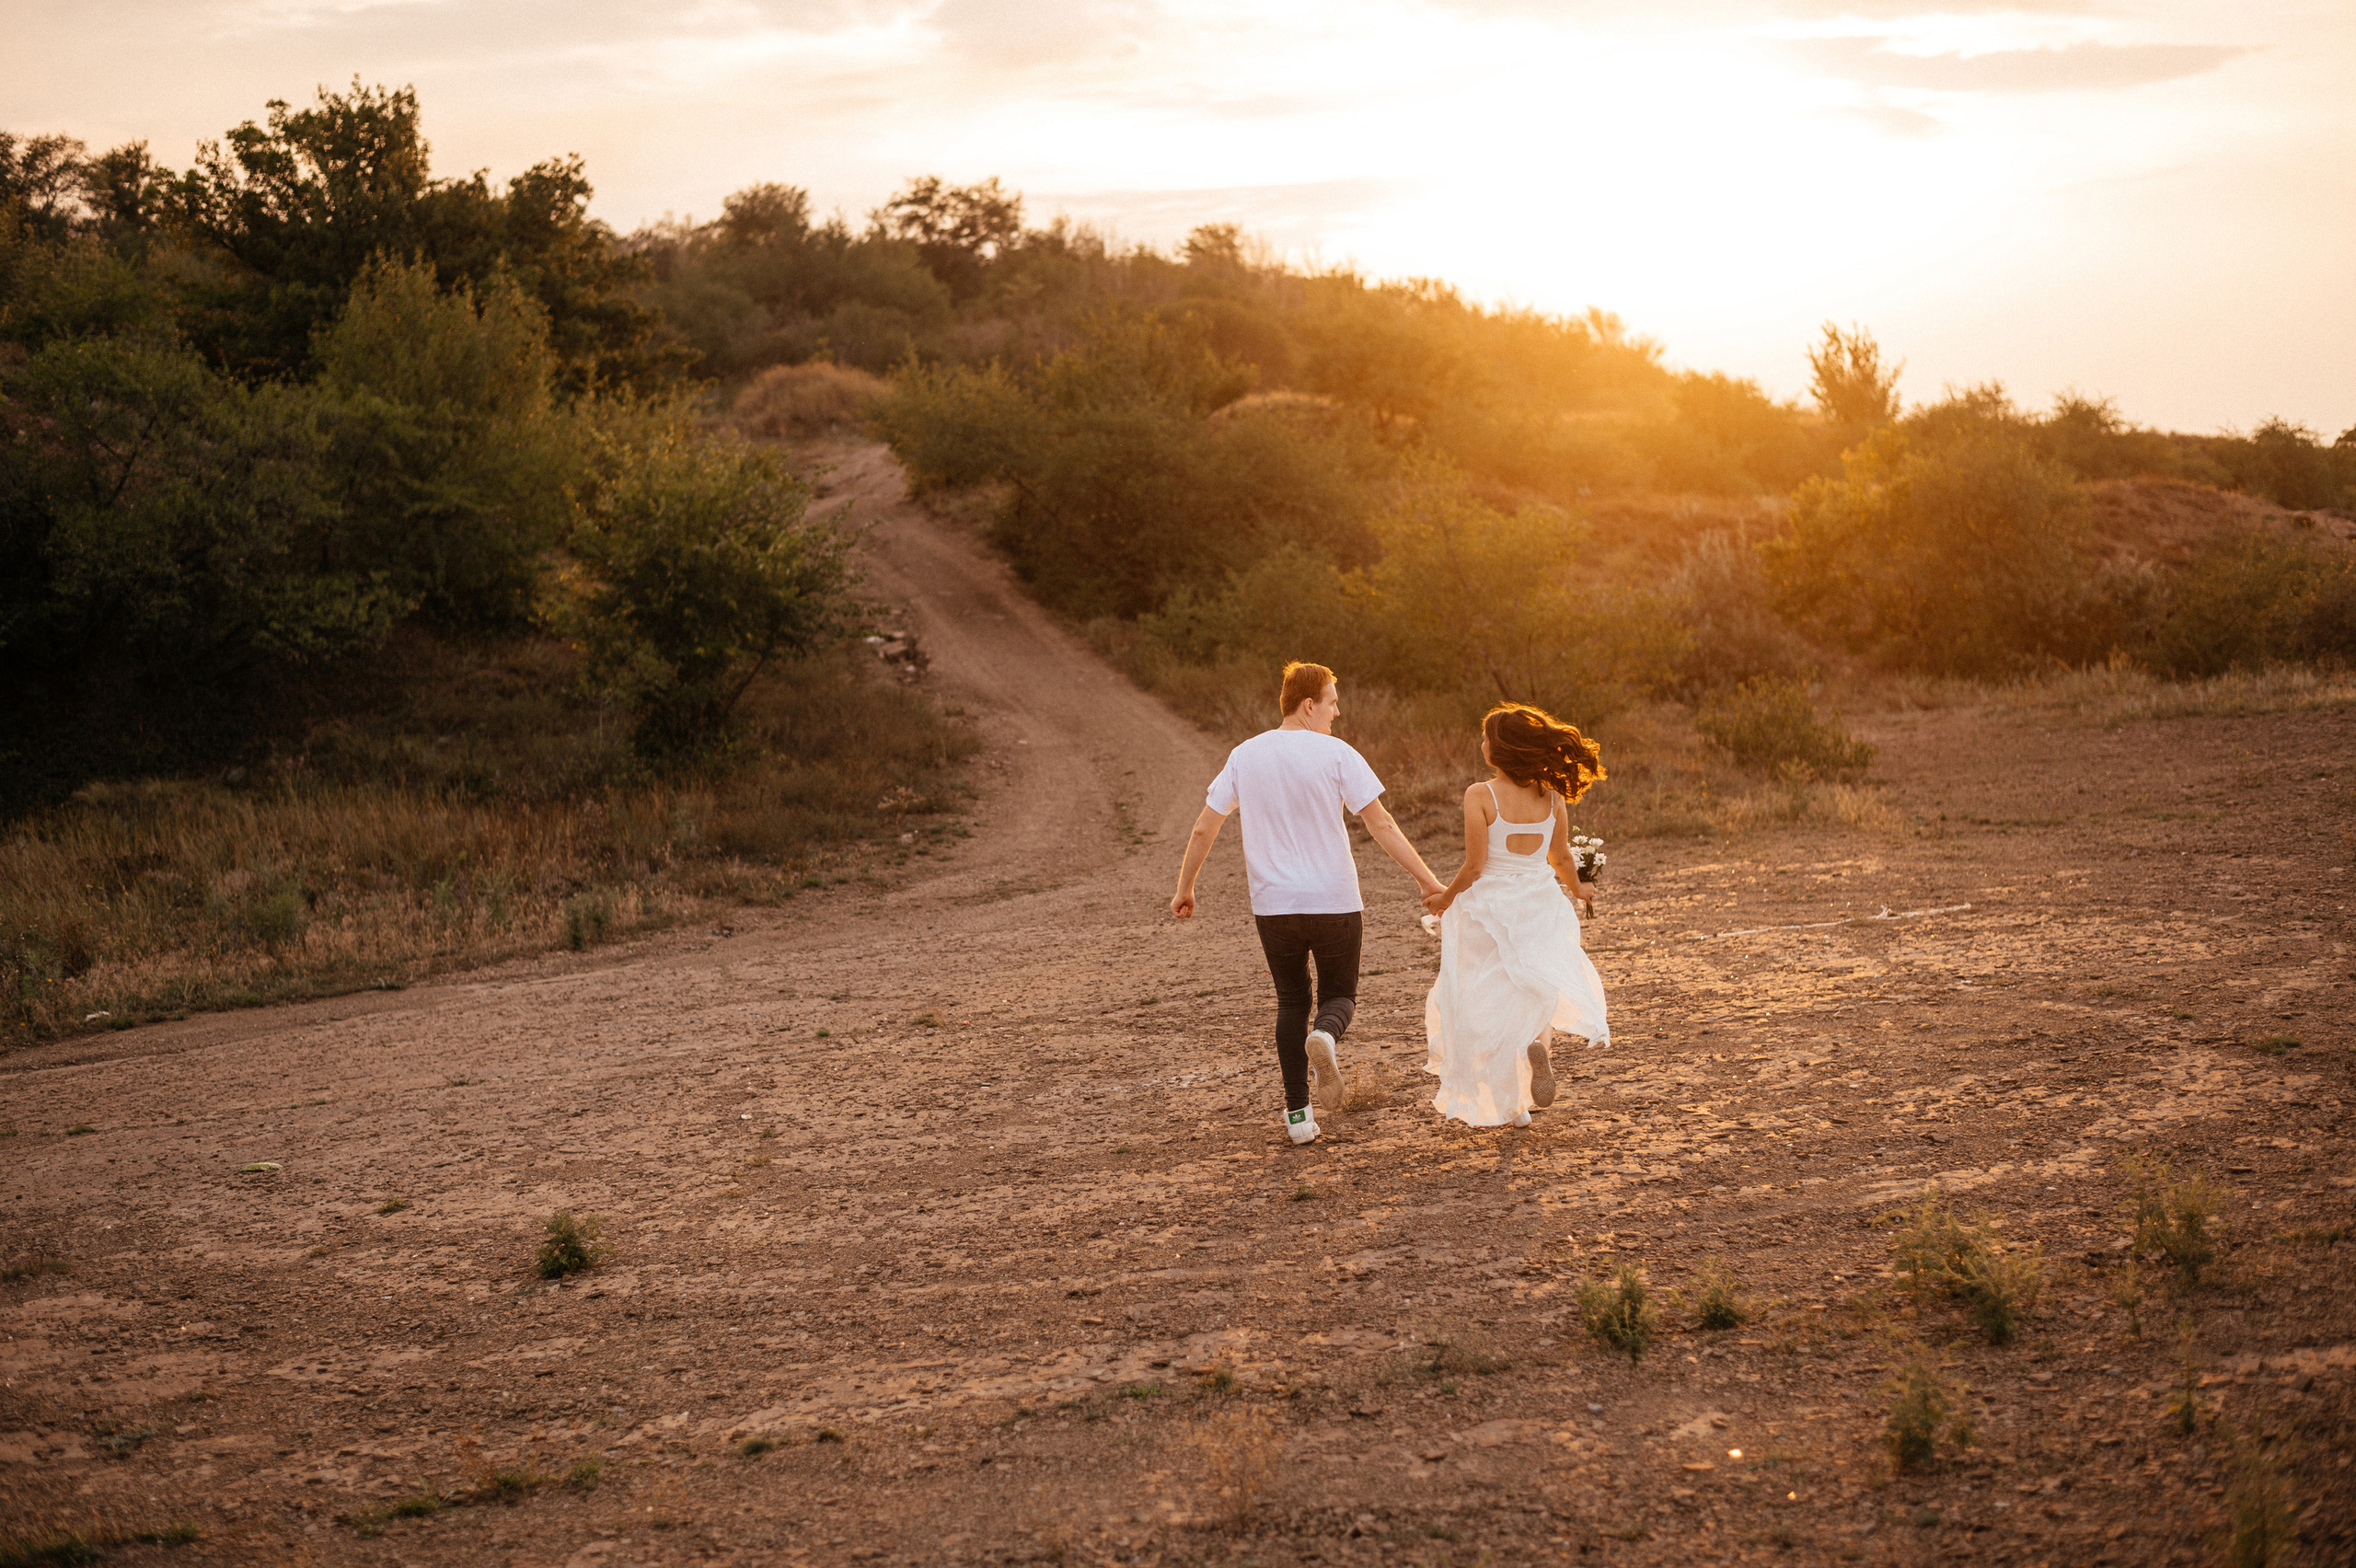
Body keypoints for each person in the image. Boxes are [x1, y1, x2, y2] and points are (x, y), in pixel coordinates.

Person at [1170, 662, 1444, 1146]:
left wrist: (1185, 887)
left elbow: (1203, 826)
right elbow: (1380, 824)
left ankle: (1298, 1117)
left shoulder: (1245, 755)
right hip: (1335, 900)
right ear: (1309, 704)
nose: (1338, 712)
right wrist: (1427, 880)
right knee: (1340, 997)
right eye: (1333, 702)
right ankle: (1327, 1038)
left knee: (1292, 1001)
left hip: (1275, 907)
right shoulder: (1337, 754)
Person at [1420, 703, 1611, 1129]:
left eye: (1485, 737)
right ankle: (1526, 1078)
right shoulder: (1552, 795)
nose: (1481, 743)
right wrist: (1580, 890)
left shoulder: (1480, 795)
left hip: (1490, 908)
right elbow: (1560, 856)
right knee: (1535, 990)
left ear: (1501, 750)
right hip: (1540, 902)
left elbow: (1474, 867)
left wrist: (1444, 899)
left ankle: (1511, 1094)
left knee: (1484, 995)